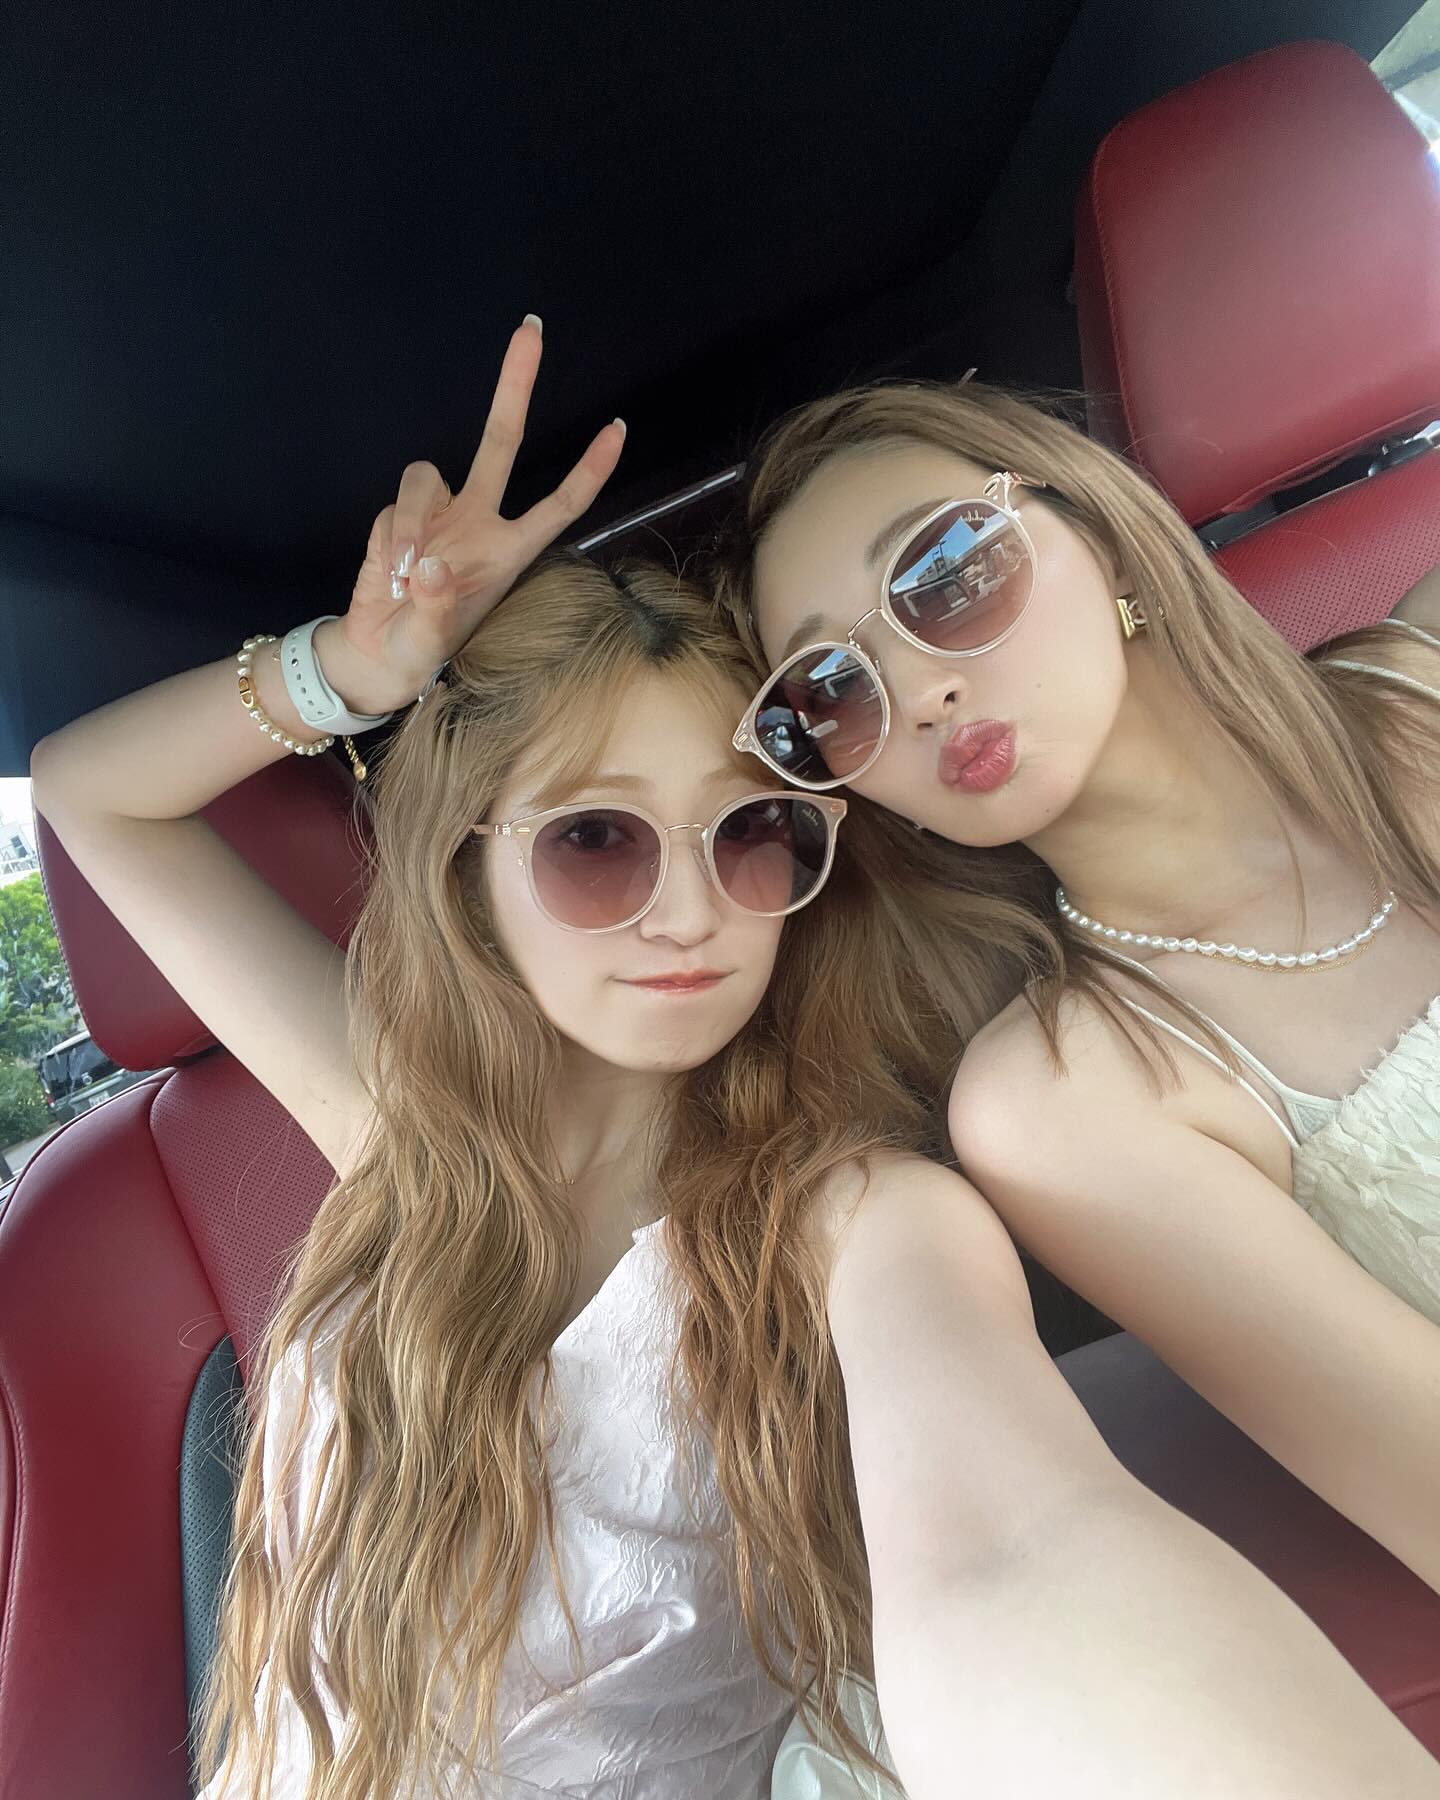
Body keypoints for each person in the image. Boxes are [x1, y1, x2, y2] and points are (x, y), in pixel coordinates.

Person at [29, 329, 1440, 1800]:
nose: (690, 912)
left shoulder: (853, 1215)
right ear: (469, 872)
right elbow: (92, 794)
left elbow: (1020, 1547)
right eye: (595, 841)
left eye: (755, 835)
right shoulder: (400, 1125)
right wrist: (352, 670)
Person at [714, 373, 1440, 1613]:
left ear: (1096, 526)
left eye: (948, 574)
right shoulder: (1065, 1103)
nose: (920, 693)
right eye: (829, 693)